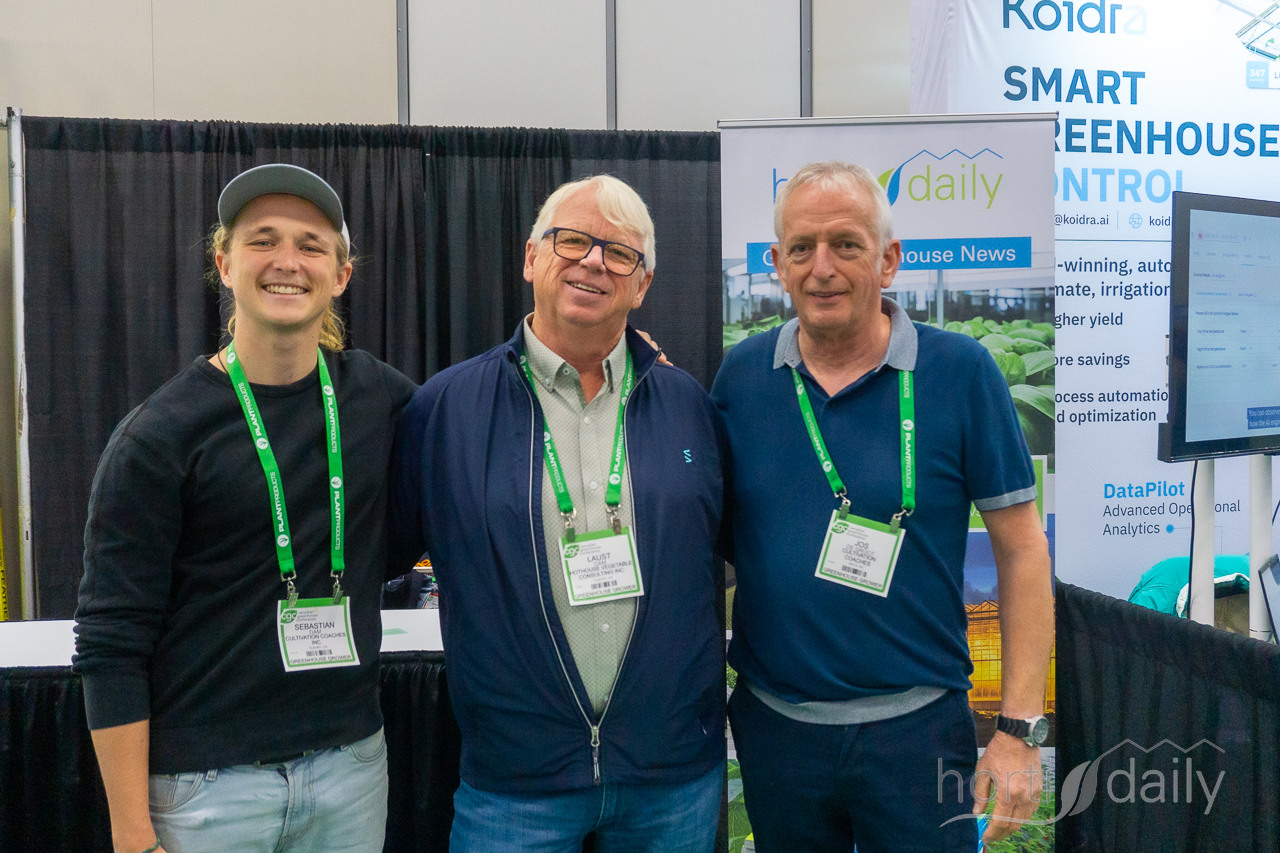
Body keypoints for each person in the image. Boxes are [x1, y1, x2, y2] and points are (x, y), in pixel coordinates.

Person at [711, 161, 1054, 852]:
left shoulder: (961, 372)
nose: (822, 267)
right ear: (778, 265)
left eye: (847, 244)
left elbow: (1021, 552)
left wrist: (1019, 730)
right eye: (802, 248)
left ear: (888, 259)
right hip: (778, 731)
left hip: (917, 732)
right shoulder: (742, 377)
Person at [74, 164, 417, 853]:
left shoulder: (379, 397)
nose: (287, 261)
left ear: (341, 275)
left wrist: (622, 361)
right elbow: (111, 641)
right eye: (263, 240)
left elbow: (488, 423)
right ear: (225, 265)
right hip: (206, 791)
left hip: (350, 770)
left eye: (311, 245)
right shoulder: (160, 435)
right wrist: (132, 834)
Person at [389, 175, 726, 852]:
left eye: (620, 253)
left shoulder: (688, 404)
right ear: (531, 258)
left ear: (642, 285)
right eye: (572, 240)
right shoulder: (444, 410)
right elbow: (381, 552)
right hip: (516, 783)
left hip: (670, 780)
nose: (594, 261)